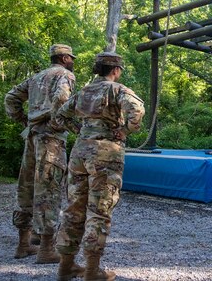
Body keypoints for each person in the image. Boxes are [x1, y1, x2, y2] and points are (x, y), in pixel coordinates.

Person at [54, 52, 145, 281]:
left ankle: (65, 267)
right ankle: (92, 271)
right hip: (105, 153)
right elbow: (138, 111)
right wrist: (124, 131)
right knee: (99, 211)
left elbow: (59, 116)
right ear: (115, 70)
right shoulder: (116, 90)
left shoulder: (84, 92)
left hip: (79, 153)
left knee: (74, 208)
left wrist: (81, 132)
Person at [4, 44, 77, 263]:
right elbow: (62, 98)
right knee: (49, 191)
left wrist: (24, 119)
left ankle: (23, 244)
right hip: (50, 140)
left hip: (32, 137)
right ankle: (46, 249)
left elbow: (11, 98)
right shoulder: (65, 75)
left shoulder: (36, 78)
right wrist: (59, 121)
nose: (73, 61)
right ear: (64, 58)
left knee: (26, 188)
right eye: (71, 58)